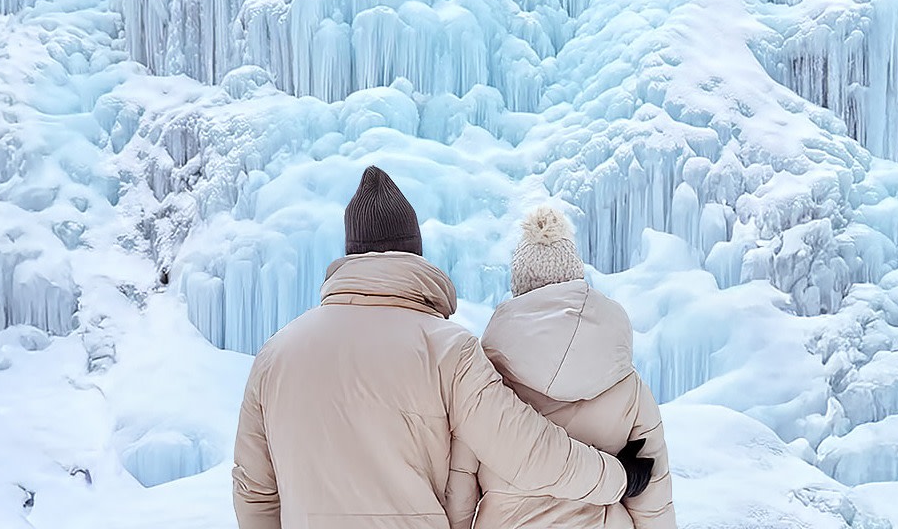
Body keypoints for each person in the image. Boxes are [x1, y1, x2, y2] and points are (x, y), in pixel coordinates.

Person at [233, 167, 655, 529]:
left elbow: (254, 492)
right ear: (414, 250)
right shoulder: (448, 350)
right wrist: (615, 477)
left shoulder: (275, 355)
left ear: (349, 254)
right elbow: (524, 450)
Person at [446, 206, 676, 529]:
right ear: (576, 280)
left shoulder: (485, 383)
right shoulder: (629, 387)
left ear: (519, 288)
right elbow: (654, 503)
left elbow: (461, 489)